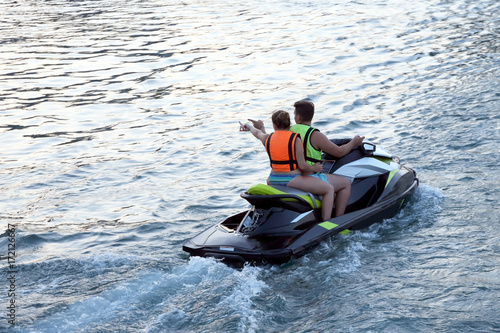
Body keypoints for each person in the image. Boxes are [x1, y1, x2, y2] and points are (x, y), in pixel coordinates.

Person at [246, 100, 364, 216]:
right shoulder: (313, 135)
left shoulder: (285, 131)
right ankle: (335, 221)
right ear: (311, 116)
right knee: (343, 184)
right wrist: (353, 142)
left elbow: (268, 140)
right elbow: (339, 152)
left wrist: (258, 127)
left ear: (297, 117)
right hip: (304, 175)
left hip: (274, 177)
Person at [240, 110, 335, 221]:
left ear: (274, 125)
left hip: (272, 179)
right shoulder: (295, 139)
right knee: (329, 189)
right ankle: (327, 223)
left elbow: (257, 133)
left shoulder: (267, 138)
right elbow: (303, 166)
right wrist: (315, 168)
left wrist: (248, 126)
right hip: (291, 179)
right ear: (289, 124)